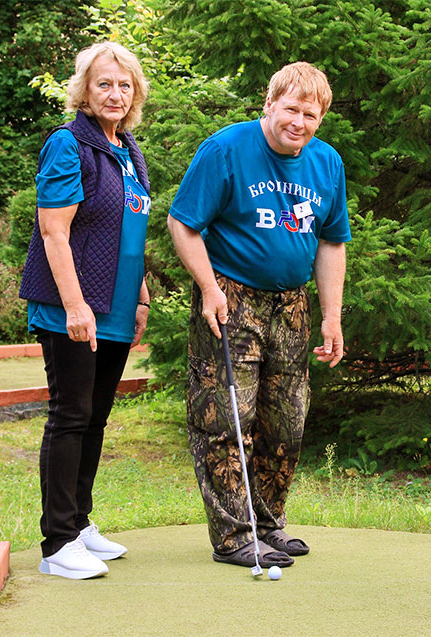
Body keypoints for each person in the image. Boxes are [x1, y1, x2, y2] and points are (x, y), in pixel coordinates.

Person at [168, 61, 351, 569]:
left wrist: (330, 316)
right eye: (290, 109)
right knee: (226, 416)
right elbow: (183, 224)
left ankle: (268, 524)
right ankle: (233, 535)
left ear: (320, 119)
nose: (299, 121)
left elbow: (332, 241)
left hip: (291, 304)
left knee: (286, 421)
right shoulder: (225, 149)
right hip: (231, 296)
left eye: (310, 114)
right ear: (269, 105)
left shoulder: (326, 163)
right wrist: (208, 288)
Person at [19, 42, 152, 580]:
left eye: (124, 85)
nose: (115, 94)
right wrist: (75, 306)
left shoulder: (129, 150)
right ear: (84, 90)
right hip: (73, 308)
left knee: (95, 417)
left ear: (135, 92)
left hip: (117, 309)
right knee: (70, 416)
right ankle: (57, 544)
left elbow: (131, 232)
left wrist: (140, 296)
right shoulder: (67, 144)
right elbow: (55, 231)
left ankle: (79, 523)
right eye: (104, 83)